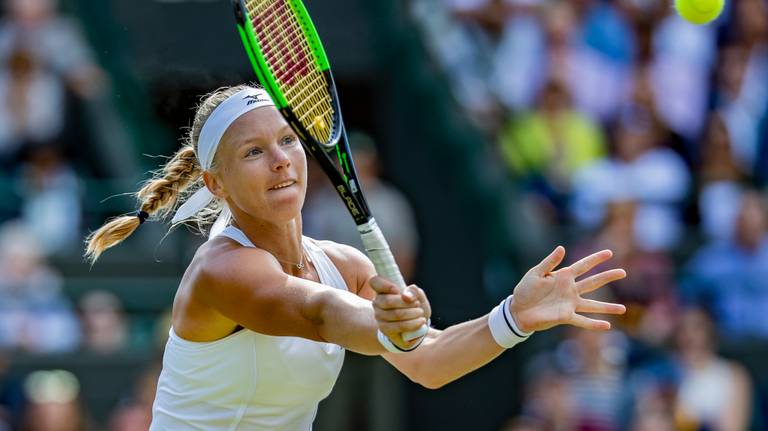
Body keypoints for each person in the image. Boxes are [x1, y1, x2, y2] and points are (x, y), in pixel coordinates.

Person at [85, 84, 626, 430]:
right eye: (253, 152)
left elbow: (428, 361)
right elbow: (321, 314)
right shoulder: (223, 270)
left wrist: (513, 317)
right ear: (215, 184)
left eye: (287, 141)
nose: (280, 161)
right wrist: (384, 323)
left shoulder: (343, 264)